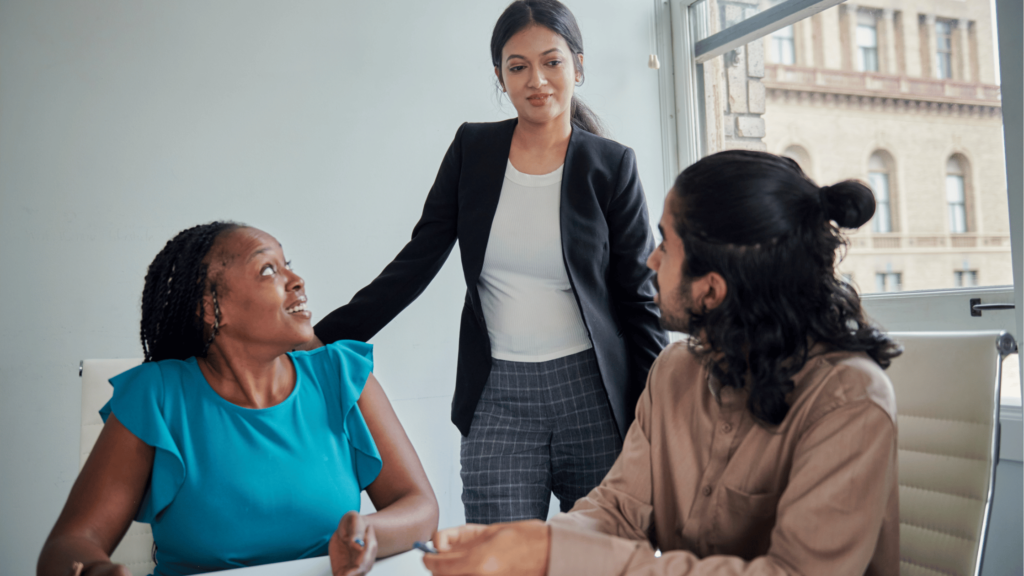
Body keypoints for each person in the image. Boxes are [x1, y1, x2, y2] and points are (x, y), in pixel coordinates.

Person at [422, 150, 904, 576]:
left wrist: (553, 558)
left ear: (711, 289)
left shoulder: (850, 401)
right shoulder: (676, 371)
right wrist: (526, 544)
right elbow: (617, 511)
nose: (651, 261)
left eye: (666, 245)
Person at [306, 0, 667, 524]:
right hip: (498, 395)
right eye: (517, 66)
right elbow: (418, 258)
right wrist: (325, 336)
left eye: (552, 62)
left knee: (601, 557)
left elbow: (639, 297)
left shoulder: (611, 166)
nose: (536, 80)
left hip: (594, 396)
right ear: (499, 76)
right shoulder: (472, 149)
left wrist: (659, 412)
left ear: (578, 66)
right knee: (495, 557)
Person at [38, 222, 439, 576]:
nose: (296, 279)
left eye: (289, 264)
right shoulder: (156, 397)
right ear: (212, 309)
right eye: (269, 270)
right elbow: (69, 544)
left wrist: (370, 533)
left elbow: (419, 505)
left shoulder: (342, 376)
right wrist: (93, 569)